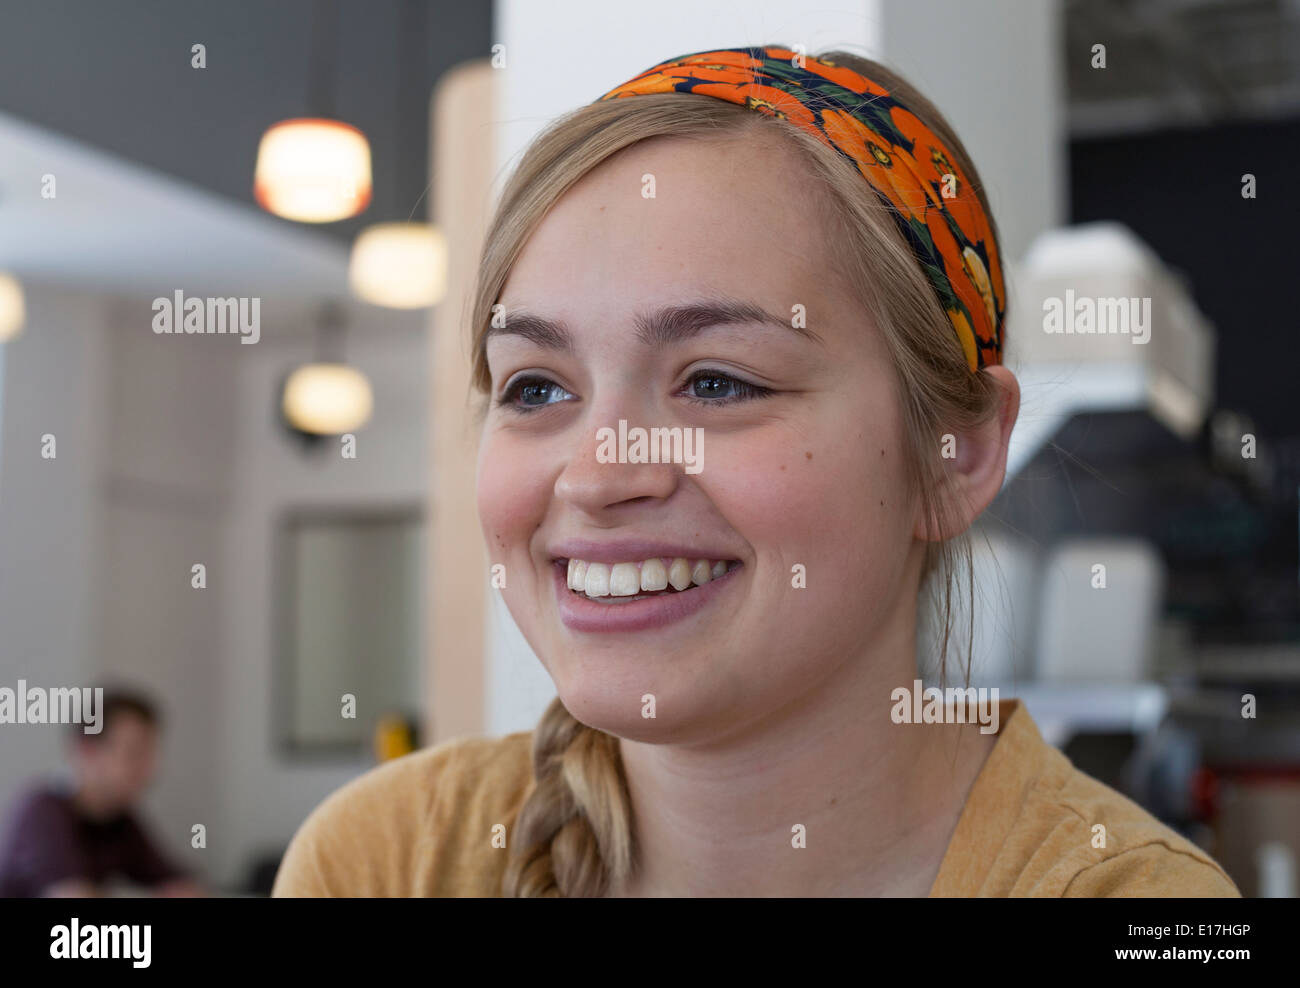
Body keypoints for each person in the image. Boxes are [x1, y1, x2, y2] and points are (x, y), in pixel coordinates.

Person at [273, 45, 1239, 897]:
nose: (599, 476)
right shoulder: (387, 862)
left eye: (718, 383)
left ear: (958, 453)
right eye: (535, 389)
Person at [0, 689, 202, 897]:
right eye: (134, 753)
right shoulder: (43, 813)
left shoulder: (118, 819)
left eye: (151, 753)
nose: (151, 769)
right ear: (86, 751)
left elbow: (181, 885)